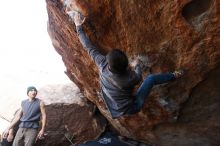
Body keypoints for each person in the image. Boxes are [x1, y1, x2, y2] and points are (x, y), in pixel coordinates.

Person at [70, 11, 185, 119]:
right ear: (126, 67)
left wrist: (78, 26)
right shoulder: (131, 79)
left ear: (108, 62)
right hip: (132, 107)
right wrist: (137, 64)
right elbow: (139, 75)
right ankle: (174, 76)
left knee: (113, 89)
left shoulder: (102, 63)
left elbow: (88, 46)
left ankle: (116, 105)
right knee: (150, 79)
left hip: (112, 104)